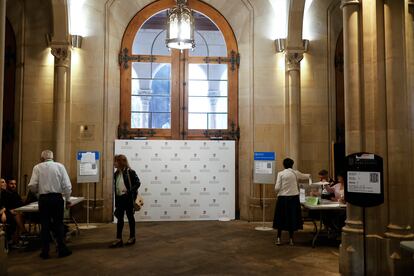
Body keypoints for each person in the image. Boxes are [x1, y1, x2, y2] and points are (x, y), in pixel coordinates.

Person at [28, 150, 72, 259]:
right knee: (59, 224)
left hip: (44, 199)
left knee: (45, 225)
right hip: (57, 198)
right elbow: (67, 185)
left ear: (42, 158)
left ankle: (45, 252)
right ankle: (62, 249)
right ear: (53, 157)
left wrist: (39, 193)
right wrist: (68, 199)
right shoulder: (60, 166)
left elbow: (32, 185)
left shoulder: (37, 167)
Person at [273, 158, 310, 246]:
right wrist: (310, 176)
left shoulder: (280, 173)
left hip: (282, 198)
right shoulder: (295, 173)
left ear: (283, 165)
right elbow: (306, 176)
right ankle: (291, 239)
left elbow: (277, 187)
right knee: (292, 218)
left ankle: (278, 238)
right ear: (292, 165)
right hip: (293, 198)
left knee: (280, 218)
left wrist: (278, 192)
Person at [110, 154, 140, 248]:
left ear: (121, 162)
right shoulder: (116, 174)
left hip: (128, 199)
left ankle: (132, 237)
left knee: (130, 217)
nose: (114, 163)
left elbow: (138, 183)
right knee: (120, 219)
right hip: (120, 199)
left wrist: (129, 191)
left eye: (115, 161)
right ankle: (119, 239)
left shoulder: (130, 172)